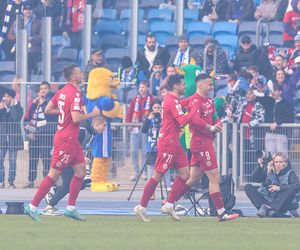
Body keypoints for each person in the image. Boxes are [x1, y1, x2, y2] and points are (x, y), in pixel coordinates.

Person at [24, 64, 100, 221]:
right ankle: (32, 206)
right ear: (73, 77)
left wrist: (64, 112)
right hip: (66, 139)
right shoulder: (76, 94)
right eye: (80, 73)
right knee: (53, 174)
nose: (82, 74)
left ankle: (71, 208)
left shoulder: (62, 92)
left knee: (80, 172)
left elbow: (48, 109)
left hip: (71, 140)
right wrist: (92, 114)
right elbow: (76, 118)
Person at [133, 74, 198, 222]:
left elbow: (181, 107)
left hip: (174, 142)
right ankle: (141, 206)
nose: (184, 86)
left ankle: (169, 204)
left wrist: (193, 100)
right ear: (176, 86)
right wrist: (195, 109)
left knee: (185, 175)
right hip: (168, 143)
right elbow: (182, 120)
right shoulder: (171, 100)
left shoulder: (172, 100)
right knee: (157, 176)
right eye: (182, 84)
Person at [183, 74, 240, 221]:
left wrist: (218, 123)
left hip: (205, 142)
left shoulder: (209, 101)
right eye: (210, 84)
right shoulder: (195, 101)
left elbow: (214, 116)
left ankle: (168, 203)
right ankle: (221, 213)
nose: (212, 87)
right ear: (200, 85)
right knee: (214, 177)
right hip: (201, 143)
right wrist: (211, 128)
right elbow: (194, 119)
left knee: (193, 178)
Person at [42, 117, 106, 216]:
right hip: (63, 155)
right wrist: (82, 157)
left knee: (80, 184)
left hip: (70, 156)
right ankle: (50, 207)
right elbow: (70, 143)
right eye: (104, 126)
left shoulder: (89, 133)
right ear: (96, 125)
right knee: (69, 183)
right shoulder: (83, 131)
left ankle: (54, 192)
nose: (105, 128)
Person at [23, 81, 57, 188]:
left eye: (45, 88)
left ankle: (47, 181)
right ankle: (31, 181)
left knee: (46, 158)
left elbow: (50, 116)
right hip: (34, 135)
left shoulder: (51, 103)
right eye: (41, 89)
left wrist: (42, 104)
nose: (43, 90)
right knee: (33, 158)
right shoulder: (33, 104)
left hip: (47, 134)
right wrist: (28, 133)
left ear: (49, 90)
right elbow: (27, 118)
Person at [245, 152, 300, 217]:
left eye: (280, 162)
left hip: (281, 203)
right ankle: (267, 210)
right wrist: (260, 166)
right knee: (248, 187)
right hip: (268, 200)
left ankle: (268, 208)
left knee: (290, 190)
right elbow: (255, 179)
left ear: (285, 163)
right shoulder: (269, 170)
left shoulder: (290, 173)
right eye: (276, 162)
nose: (278, 164)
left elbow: (297, 186)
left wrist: (279, 188)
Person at [125, 81, 154, 181]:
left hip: (145, 129)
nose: (141, 89)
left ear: (147, 88)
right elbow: (129, 113)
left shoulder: (151, 100)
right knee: (133, 151)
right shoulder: (134, 100)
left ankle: (144, 171)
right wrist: (128, 123)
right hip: (135, 129)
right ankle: (136, 171)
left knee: (145, 152)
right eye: (140, 87)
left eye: (143, 87)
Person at [0, 88, 23, 189]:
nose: (5, 98)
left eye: (8, 97)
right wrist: (2, 110)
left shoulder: (19, 108)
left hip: (13, 139)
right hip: (2, 139)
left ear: (12, 98)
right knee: (0, 160)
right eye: (4, 96)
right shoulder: (2, 108)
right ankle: (1, 181)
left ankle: (11, 182)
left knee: (12, 161)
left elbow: (15, 119)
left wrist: (13, 107)